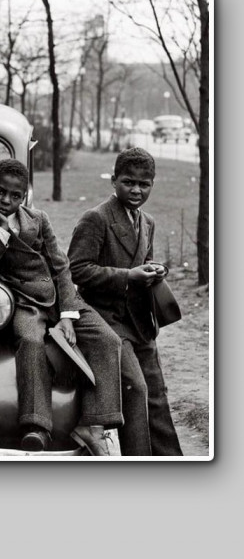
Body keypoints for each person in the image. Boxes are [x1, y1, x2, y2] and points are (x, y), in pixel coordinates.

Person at [0, 159, 123, 455]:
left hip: (58, 299)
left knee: (108, 340)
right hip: (23, 302)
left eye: (15, 195)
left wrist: (67, 314)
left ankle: (93, 424)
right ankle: (36, 425)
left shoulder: (38, 219)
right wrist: (2, 231)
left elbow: (61, 267)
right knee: (30, 341)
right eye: (0, 192)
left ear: (24, 196)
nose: (6, 200)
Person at [67, 147, 183, 456]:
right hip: (105, 320)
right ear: (114, 180)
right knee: (136, 388)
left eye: (144, 184)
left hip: (138, 321)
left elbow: (143, 260)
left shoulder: (147, 222)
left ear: (152, 184)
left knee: (156, 393)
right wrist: (127, 276)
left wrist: (155, 270)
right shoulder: (96, 219)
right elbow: (76, 269)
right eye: (128, 182)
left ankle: (171, 462)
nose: (136, 190)